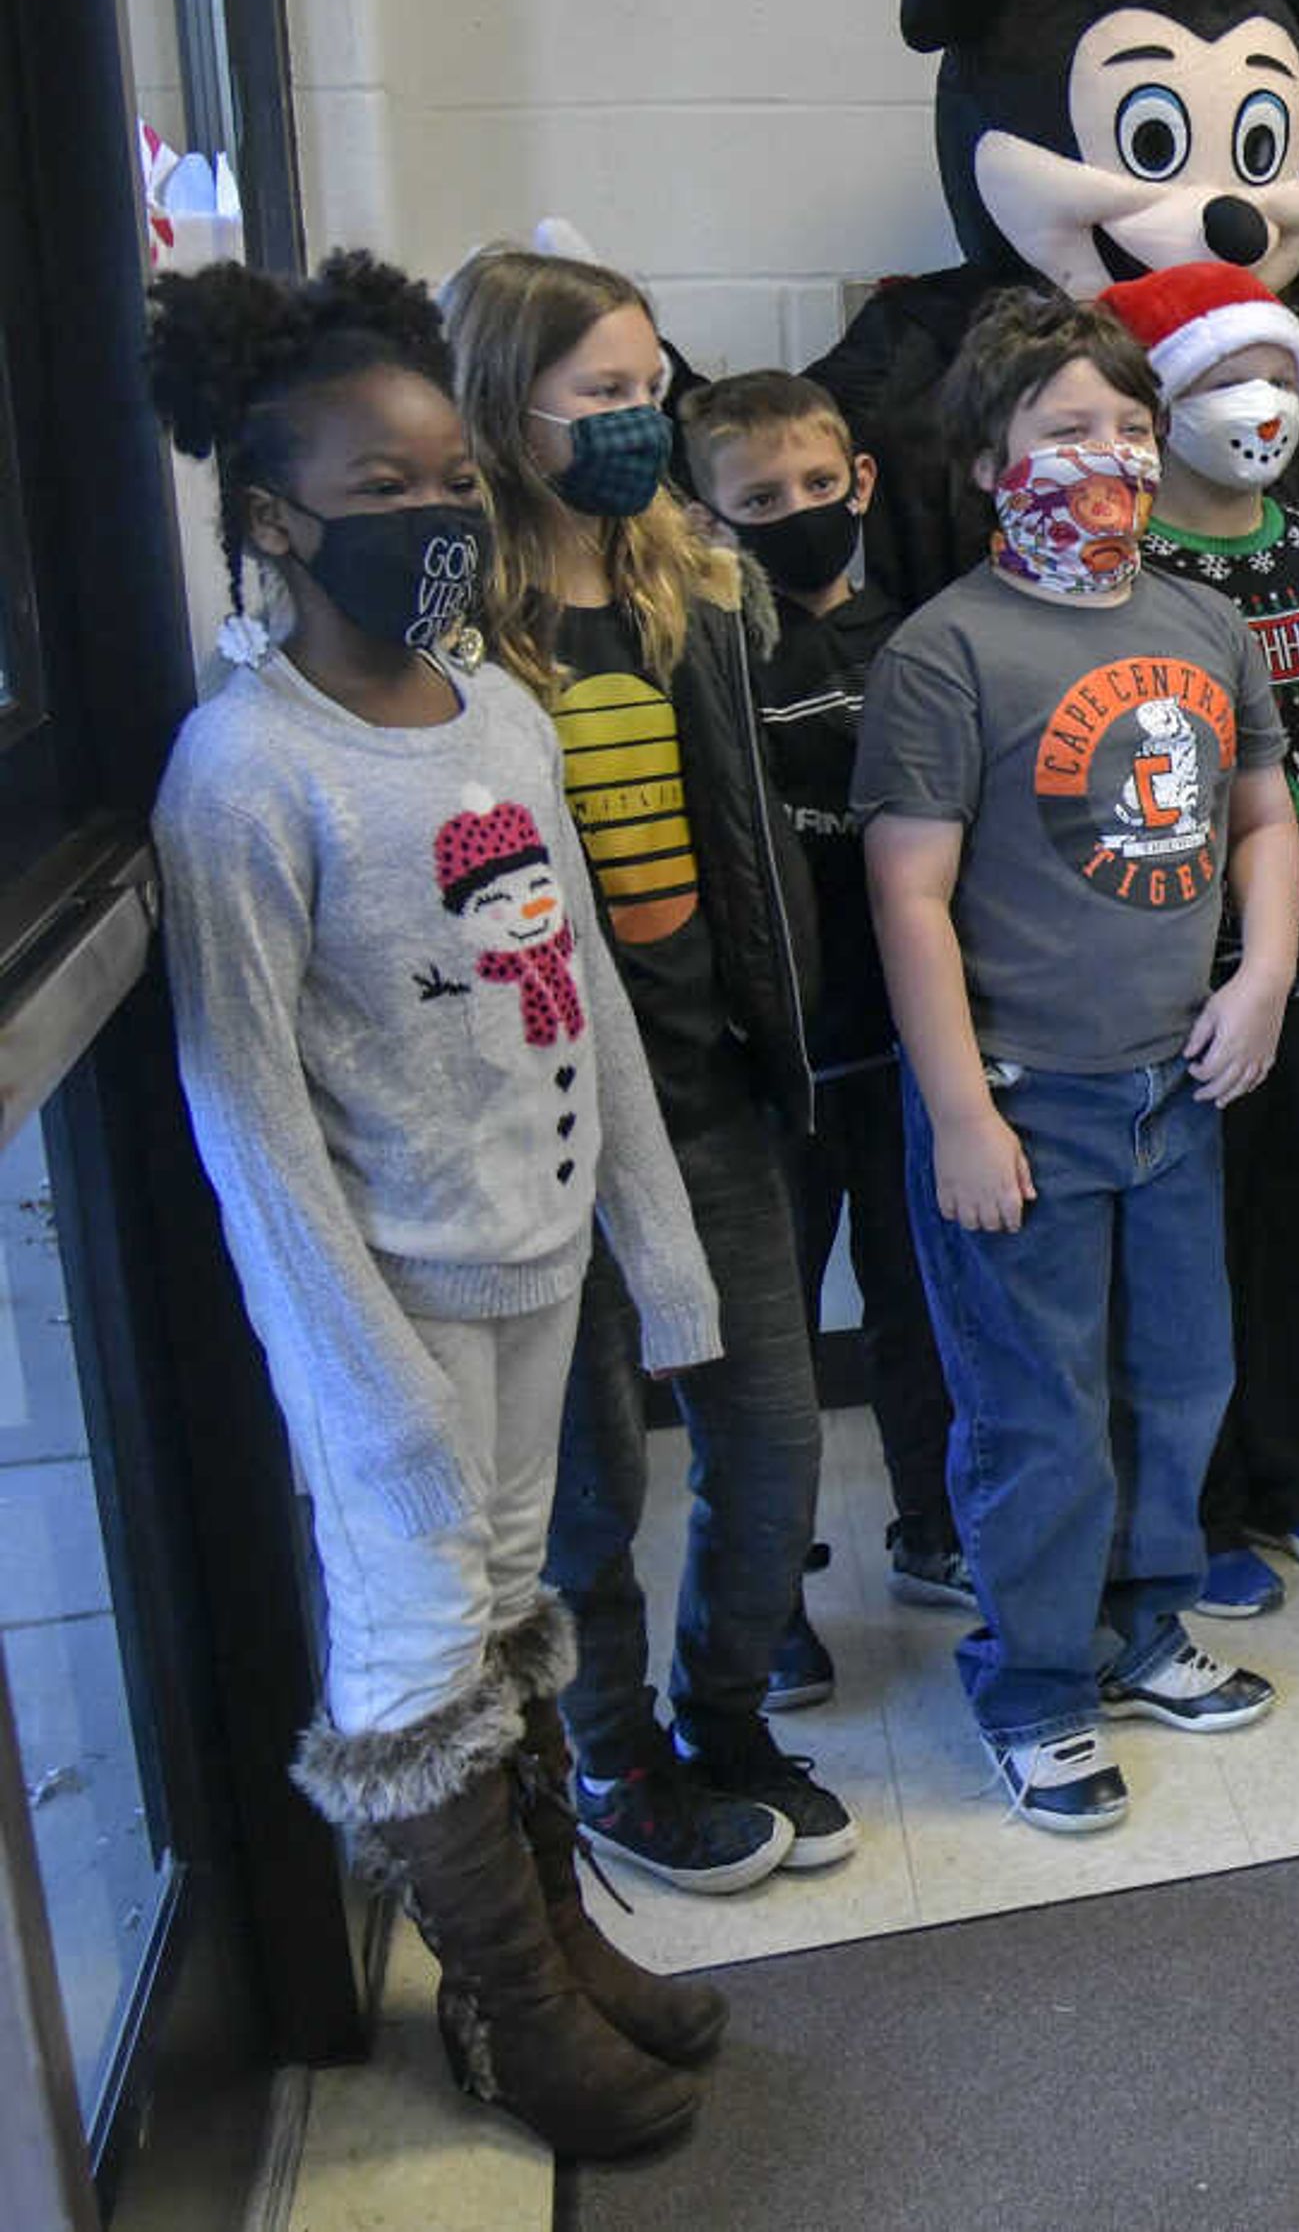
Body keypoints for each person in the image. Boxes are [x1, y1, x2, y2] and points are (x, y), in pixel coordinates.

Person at [149, 254, 725, 2158]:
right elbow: (243, 1109)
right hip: (388, 1298)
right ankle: (507, 2011)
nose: (430, 522)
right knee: (413, 1646)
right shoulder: (243, 776)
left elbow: (582, 999)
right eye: (376, 495)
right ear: (270, 521)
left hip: (534, 1253)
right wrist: (364, 1373)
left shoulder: (497, 715)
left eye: (446, 485)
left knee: (508, 1601)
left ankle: (554, 1945)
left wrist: (658, 1248)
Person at [853, 293, 1297, 1833]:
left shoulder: (1204, 624)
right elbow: (906, 893)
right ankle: (1034, 1679)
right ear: (990, 462)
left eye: (1123, 425)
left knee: (1179, 1380)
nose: (1103, 455)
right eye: (1063, 431)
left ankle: (1134, 1621)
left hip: (1175, 1091)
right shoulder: (944, 653)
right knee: (1038, 1410)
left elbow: (1261, 815)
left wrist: (1268, 973)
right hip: (1025, 1106)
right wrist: (961, 1109)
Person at [449, 248, 845, 1892]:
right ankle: (615, 1758)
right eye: (598, 396)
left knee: (770, 1433)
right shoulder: (460, 617)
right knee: (595, 1479)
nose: (636, 423)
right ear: (505, 405)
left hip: (706, 1084)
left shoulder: (698, 581)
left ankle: (727, 1715)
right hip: (550, 1126)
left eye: (646, 388)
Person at [1099, 263, 1299, 1605]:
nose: (1260, 403)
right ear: (1162, 401)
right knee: (1183, 1250)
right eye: (1229, 378)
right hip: (1170, 983)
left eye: (1280, 374)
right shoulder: (1121, 571)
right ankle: (1199, 1504)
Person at [676, 372, 976, 1632]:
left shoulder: (925, 636)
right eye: (756, 500)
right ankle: (764, 1589)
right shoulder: (703, 655)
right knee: (768, 1340)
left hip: (912, 1050)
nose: (794, 514)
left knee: (921, 1306)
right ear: (703, 514)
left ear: (859, 483)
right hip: (772, 1061)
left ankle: (932, 1523)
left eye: (815, 486)